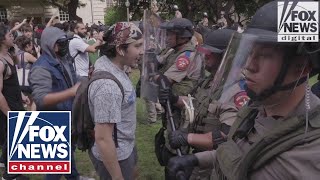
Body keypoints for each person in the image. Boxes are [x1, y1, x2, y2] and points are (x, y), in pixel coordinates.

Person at [167, 1, 320, 179]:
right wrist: (196, 159)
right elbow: (240, 152)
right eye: (250, 53)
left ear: (302, 65)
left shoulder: (309, 155)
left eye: (264, 55)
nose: (249, 66)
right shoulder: (258, 107)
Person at [160, 29, 248, 179]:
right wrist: (175, 99)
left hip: (213, 166)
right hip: (197, 160)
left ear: (227, 57)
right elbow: (199, 104)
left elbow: (226, 135)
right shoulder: (213, 81)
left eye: (210, 52)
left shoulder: (237, 90)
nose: (205, 55)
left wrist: (187, 138)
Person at [87, 22, 143, 180]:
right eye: (137, 46)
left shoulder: (113, 65)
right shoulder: (108, 88)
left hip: (125, 147)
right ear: (120, 50)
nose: (142, 51)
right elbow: (103, 139)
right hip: (116, 157)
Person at [153, 17, 204, 179]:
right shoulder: (174, 51)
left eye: (170, 34)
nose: (167, 37)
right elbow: (159, 61)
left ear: (182, 37)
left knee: (177, 148)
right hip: (172, 105)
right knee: (169, 144)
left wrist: (151, 74)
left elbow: (165, 80)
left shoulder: (187, 55)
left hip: (183, 109)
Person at [29, 27, 80, 180]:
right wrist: (71, 92)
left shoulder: (63, 59)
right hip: (53, 121)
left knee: (68, 152)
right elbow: (41, 99)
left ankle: (74, 177)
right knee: (55, 166)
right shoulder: (41, 67)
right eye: (62, 43)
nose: (65, 45)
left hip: (69, 116)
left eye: (66, 42)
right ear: (51, 44)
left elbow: (72, 80)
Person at [0, 24, 29, 180]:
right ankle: (10, 176)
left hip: (16, 103)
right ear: (1, 40)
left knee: (15, 138)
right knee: (13, 140)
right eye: (9, 35)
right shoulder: (0, 62)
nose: (12, 37)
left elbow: (13, 82)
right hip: (8, 108)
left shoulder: (9, 56)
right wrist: (8, 113)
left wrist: (22, 95)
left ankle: (12, 169)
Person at [15, 35, 37, 110]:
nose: (33, 47)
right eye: (31, 45)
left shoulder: (17, 54)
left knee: (25, 106)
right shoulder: (26, 55)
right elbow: (40, 63)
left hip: (19, 83)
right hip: (27, 84)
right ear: (27, 46)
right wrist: (37, 52)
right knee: (32, 105)